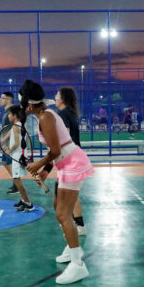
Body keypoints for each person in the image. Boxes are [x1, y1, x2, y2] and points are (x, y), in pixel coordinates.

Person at [21, 80, 95, 284]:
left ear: (29, 103)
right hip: (65, 163)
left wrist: (39, 164)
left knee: (63, 213)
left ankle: (78, 264)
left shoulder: (45, 116)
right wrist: (46, 171)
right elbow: (57, 147)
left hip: (72, 163)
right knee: (58, 208)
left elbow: (55, 150)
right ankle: (73, 248)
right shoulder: (45, 115)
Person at [55, 87, 87, 236]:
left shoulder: (63, 115)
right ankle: (74, 222)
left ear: (62, 99)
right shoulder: (70, 114)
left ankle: (78, 226)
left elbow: (64, 138)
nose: (55, 98)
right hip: (73, 157)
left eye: (57, 95)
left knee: (69, 193)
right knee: (67, 192)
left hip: (70, 158)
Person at [5, 105, 34, 212]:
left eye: (10, 114)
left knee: (17, 180)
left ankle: (28, 203)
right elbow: (24, 142)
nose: (8, 116)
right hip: (21, 155)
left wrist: (9, 151)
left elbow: (17, 143)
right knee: (17, 179)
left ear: (14, 115)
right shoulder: (21, 125)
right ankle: (23, 200)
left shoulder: (15, 126)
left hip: (17, 156)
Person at [0, 92, 17, 195]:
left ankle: (17, 185)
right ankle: (16, 183)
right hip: (6, 143)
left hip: (11, 143)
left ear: (8, 99)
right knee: (4, 162)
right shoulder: (6, 111)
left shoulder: (12, 111)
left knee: (10, 164)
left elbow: (14, 127)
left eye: (2, 98)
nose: (0, 100)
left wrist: (4, 138)